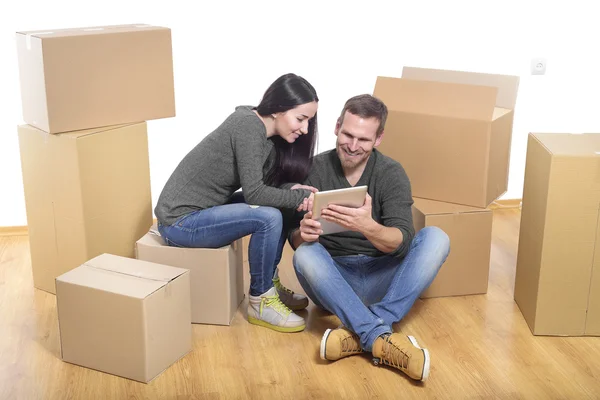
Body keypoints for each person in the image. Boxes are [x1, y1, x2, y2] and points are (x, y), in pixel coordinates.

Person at [288, 94, 450, 381]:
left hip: (384, 277)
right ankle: (381, 336)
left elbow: (401, 243)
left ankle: (361, 331)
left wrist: (366, 226)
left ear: (378, 139)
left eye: (363, 140)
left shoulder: (391, 173)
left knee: (437, 238)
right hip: (334, 281)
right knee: (305, 253)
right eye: (347, 134)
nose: (352, 146)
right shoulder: (312, 168)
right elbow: (295, 240)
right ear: (337, 126)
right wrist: (303, 234)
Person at [155, 73, 320, 333]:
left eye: (309, 121)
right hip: (180, 223)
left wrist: (292, 190)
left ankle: (269, 282)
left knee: (280, 208)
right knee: (269, 216)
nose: (305, 129)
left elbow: (265, 188)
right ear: (277, 109)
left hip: (206, 210)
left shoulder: (262, 133)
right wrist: (299, 197)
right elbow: (255, 194)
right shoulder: (248, 127)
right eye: (301, 119)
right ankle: (260, 301)